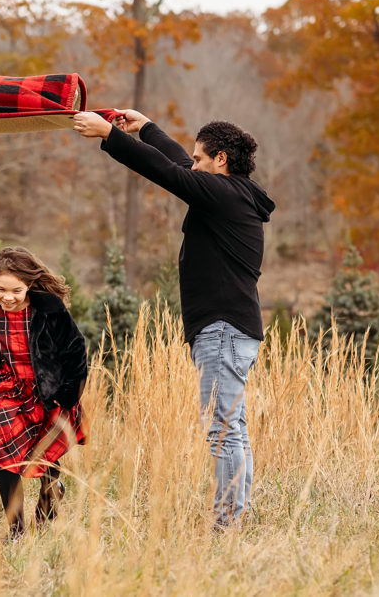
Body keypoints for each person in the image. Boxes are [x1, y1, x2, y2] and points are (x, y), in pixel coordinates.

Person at [72, 108, 276, 528]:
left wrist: (109, 134)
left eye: (202, 158)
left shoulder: (225, 195)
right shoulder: (230, 193)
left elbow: (169, 173)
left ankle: (227, 522)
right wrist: (146, 127)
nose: (194, 163)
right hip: (230, 330)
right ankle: (234, 515)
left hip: (222, 329)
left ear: (221, 160)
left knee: (223, 429)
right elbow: (181, 165)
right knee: (230, 426)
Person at [0, 247, 88, 538]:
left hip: (49, 387)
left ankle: (51, 493)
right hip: (9, 385)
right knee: (2, 449)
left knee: (42, 453)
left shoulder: (50, 311)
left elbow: (75, 353)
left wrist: (68, 392)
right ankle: (16, 529)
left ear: (29, 286)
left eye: (16, 290)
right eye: (1, 289)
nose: (7, 297)